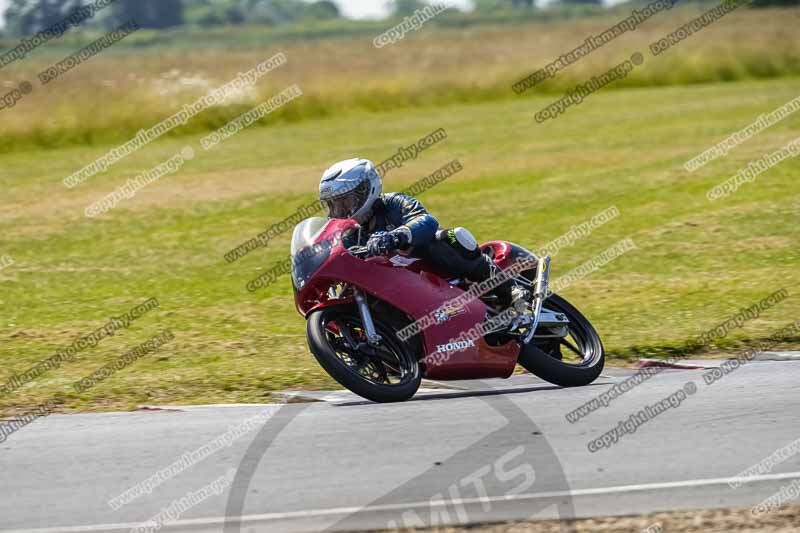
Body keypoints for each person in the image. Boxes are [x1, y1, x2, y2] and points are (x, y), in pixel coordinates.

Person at [318, 157, 529, 313]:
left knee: (454, 237)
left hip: (435, 264)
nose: (339, 210)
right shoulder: (352, 234)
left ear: (366, 189)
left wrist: (397, 236)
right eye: (334, 205)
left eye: (344, 202)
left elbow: (426, 221)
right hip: (404, 284)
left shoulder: (394, 202)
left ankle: (509, 290)